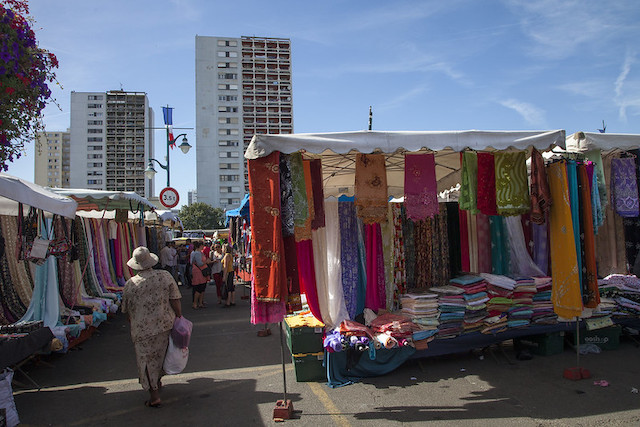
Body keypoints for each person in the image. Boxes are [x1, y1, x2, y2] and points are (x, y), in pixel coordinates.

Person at [121, 246, 182, 409]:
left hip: (142, 329)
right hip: (164, 323)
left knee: (146, 360)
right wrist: (179, 316)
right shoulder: (164, 276)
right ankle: (158, 381)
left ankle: (154, 394)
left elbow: (126, 310)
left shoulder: (130, 284)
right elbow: (175, 298)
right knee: (161, 355)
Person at [190, 241, 211, 309]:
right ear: (200, 246)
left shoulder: (198, 253)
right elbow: (200, 263)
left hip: (200, 271)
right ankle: (195, 303)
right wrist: (206, 261)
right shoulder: (197, 253)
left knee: (201, 288)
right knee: (199, 288)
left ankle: (200, 302)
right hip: (199, 272)